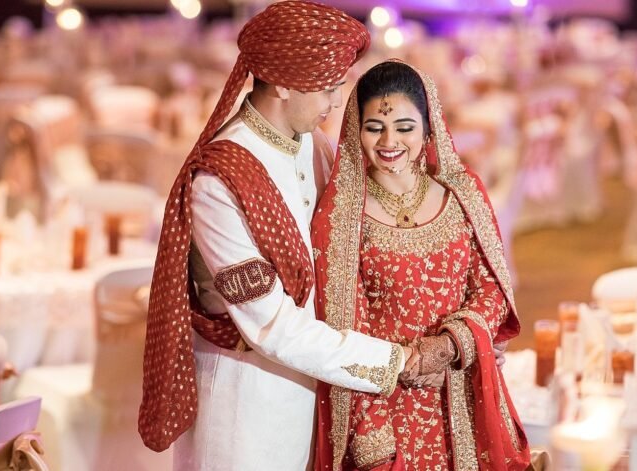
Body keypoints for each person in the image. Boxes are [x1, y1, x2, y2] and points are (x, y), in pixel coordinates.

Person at [138, 3, 451, 470]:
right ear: (282, 83)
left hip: (317, 391)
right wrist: (396, 361)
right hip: (246, 409)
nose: (334, 102)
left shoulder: (314, 145)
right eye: (328, 87)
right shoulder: (220, 180)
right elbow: (272, 325)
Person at [311, 60, 531, 470]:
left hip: (465, 393)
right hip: (386, 404)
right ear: (356, 130)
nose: (389, 140)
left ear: (429, 129)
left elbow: (492, 290)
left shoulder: (463, 194)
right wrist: (375, 440)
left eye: (405, 128)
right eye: (375, 127)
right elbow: (345, 332)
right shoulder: (342, 219)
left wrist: (447, 347)